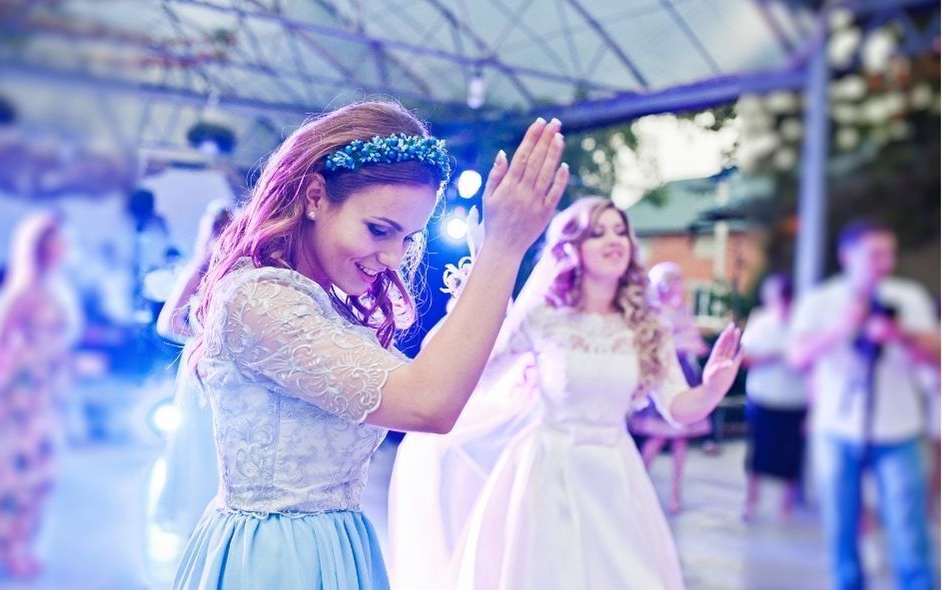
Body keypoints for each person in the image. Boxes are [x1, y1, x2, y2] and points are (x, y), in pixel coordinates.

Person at [172, 100, 569, 589]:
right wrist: (504, 247)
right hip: (277, 562)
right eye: (380, 230)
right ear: (315, 196)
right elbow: (428, 404)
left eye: (407, 238)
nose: (392, 257)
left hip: (338, 543)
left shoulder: (321, 304)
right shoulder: (260, 300)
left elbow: (435, 383)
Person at [389, 196, 744, 590]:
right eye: (597, 232)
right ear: (571, 247)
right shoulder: (542, 316)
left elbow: (678, 407)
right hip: (546, 470)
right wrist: (469, 314)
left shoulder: (648, 325)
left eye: (620, 230)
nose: (614, 240)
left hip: (615, 475)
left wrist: (712, 387)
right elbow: (476, 375)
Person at [788, 219, 940, 590]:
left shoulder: (909, 297)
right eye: (875, 254)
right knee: (841, 531)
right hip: (837, 429)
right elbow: (797, 358)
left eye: (889, 254)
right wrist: (842, 328)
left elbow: (936, 355)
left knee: (909, 533)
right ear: (847, 256)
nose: (884, 263)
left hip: (899, 429)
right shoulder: (820, 301)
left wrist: (900, 334)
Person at [0, 211, 78, 577]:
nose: (65, 245)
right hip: (21, 393)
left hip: (47, 389)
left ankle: (20, 541)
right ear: (43, 247)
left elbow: (59, 343)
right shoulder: (25, 290)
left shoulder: (56, 288)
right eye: (57, 240)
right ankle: (11, 544)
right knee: (20, 471)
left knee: (42, 470)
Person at [149, 201, 232, 542]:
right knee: (197, 441)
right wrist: (205, 337)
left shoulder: (238, 271)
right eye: (219, 230)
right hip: (200, 366)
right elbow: (167, 323)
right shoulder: (198, 270)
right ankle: (196, 515)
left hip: (226, 373)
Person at [627, 261, 713, 514]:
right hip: (662, 372)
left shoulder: (682, 310)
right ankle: (635, 485)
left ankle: (675, 493)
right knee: (658, 435)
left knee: (680, 439)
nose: (679, 286)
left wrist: (695, 346)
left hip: (684, 372)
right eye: (674, 282)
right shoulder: (654, 312)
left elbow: (693, 339)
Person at [740, 273, 808, 522]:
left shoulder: (803, 322)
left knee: (791, 454)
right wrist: (774, 356)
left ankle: (786, 506)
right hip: (763, 395)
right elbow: (744, 358)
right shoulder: (759, 320)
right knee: (756, 452)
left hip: (795, 399)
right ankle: (750, 499)